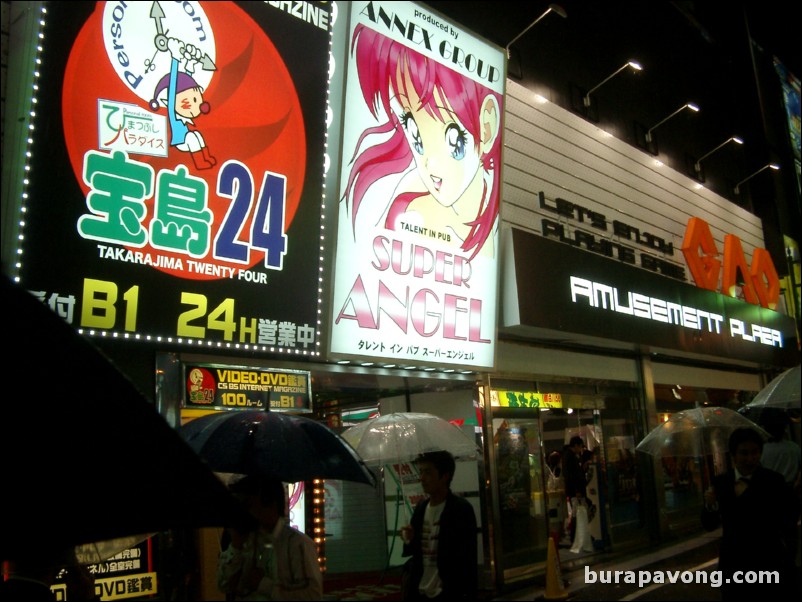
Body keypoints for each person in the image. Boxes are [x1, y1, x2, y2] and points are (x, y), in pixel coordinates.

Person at [342, 24, 502, 260]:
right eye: (416, 135)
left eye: (453, 139)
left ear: (487, 128)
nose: (430, 163)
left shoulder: (490, 224)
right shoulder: (409, 210)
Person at [702, 427, 795, 600]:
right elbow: (709, 525)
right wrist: (710, 505)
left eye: (755, 452)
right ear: (733, 455)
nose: (750, 459)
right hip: (733, 563)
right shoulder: (721, 483)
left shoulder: (773, 481)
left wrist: (788, 564)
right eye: (744, 453)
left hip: (767, 561)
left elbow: (787, 524)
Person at [217, 475, 322, 601]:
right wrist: (236, 547)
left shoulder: (298, 544)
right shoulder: (245, 540)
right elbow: (224, 586)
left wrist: (263, 585)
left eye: (248, 505)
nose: (243, 512)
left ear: (271, 504)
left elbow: (312, 595)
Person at [400, 451, 478, 601]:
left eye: (428, 472)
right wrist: (408, 538)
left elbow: (467, 558)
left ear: (445, 476)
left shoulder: (460, 510)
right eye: (421, 472)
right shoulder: (421, 508)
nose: (422, 478)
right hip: (420, 591)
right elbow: (414, 551)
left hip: (448, 592)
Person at [149, 37, 216, 170]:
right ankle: (200, 163)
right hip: (180, 141)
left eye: (197, 99)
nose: (198, 106)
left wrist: (189, 66)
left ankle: (206, 157)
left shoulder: (186, 118)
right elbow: (174, 83)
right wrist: (175, 59)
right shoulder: (174, 115)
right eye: (191, 101)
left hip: (186, 139)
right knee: (192, 136)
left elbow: (186, 80)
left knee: (197, 135)